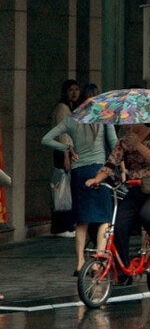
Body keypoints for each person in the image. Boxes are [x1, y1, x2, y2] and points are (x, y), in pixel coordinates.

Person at [42, 84, 118, 275]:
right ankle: (97, 260)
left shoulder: (72, 119)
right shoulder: (104, 117)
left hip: (79, 174)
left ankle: (79, 262)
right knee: (104, 218)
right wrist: (122, 167)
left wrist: (66, 148)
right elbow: (115, 144)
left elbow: (46, 139)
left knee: (81, 221)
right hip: (99, 173)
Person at [85, 122, 150, 281]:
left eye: (130, 121)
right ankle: (122, 272)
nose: (126, 125)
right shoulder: (123, 142)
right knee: (118, 225)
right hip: (135, 191)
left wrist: (138, 145)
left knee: (147, 215)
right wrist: (96, 179)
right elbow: (111, 164)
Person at [50, 80, 83, 235]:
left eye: (76, 89)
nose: (74, 93)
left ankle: (64, 224)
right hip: (63, 151)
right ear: (65, 92)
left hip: (67, 151)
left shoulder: (70, 108)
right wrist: (66, 156)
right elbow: (63, 134)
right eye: (71, 90)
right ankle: (62, 226)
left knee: (65, 190)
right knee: (62, 190)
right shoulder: (63, 108)